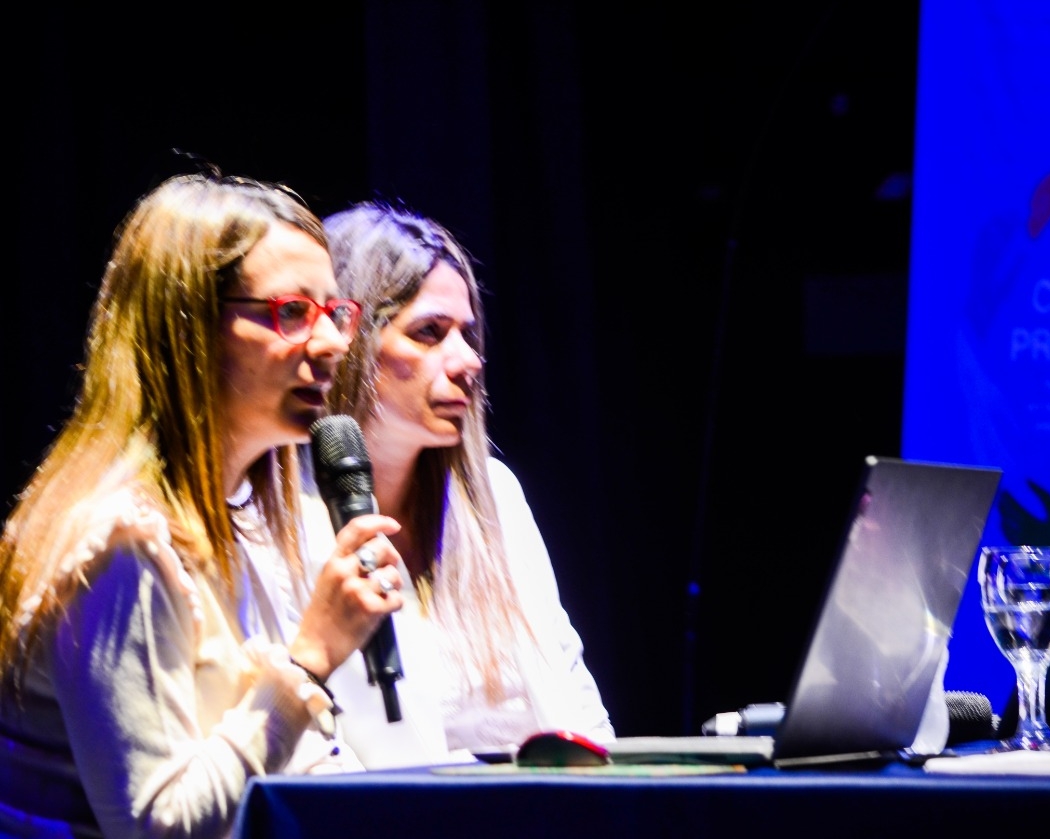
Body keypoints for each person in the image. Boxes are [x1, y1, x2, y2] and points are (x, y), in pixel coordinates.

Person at [0, 172, 407, 839]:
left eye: (335, 312)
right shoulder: (121, 544)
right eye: (292, 312)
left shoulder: (239, 516)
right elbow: (157, 826)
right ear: (188, 329)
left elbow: (299, 768)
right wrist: (307, 661)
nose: (334, 342)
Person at [313, 201, 613, 766]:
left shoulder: (493, 494)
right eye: (429, 332)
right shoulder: (292, 517)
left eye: (468, 334)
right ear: (349, 339)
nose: (467, 360)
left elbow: (574, 695)